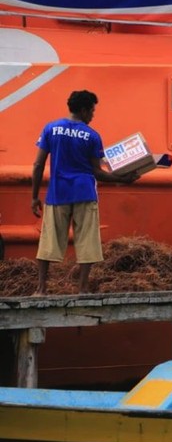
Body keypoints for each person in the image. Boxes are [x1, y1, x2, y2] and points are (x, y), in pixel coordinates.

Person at [31, 90, 138, 295]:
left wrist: (34, 196)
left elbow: (38, 165)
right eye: (92, 110)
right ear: (83, 110)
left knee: (48, 242)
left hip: (57, 194)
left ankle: (41, 289)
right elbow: (97, 172)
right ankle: (82, 288)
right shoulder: (92, 136)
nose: (93, 115)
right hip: (84, 193)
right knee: (87, 241)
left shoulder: (51, 129)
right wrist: (121, 179)